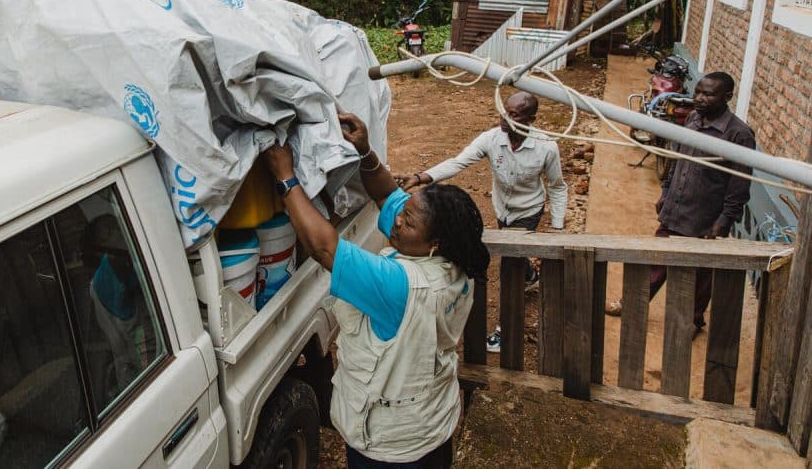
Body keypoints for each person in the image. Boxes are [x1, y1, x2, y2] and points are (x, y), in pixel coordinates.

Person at [263, 111, 489, 468]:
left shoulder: (398, 285)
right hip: (432, 421)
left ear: (436, 241)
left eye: (409, 221)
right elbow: (388, 194)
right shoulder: (460, 260)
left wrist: (285, 177)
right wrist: (366, 152)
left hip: (391, 444)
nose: (397, 220)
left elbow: (324, 248)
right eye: (405, 212)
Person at [606, 71, 755, 331]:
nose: (699, 98)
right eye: (698, 91)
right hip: (676, 206)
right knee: (655, 261)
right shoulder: (693, 119)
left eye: (708, 94)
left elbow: (739, 185)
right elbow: (676, 158)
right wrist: (665, 191)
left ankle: (693, 322)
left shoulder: (738, 134)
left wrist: (724, 220)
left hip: (705, 218)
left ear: (727, 97)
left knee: (699, 274)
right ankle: (631, 303)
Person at [396, 90, 567, 293]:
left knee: (509, 263)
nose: (505, 117)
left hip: (528, 210)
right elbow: (458, 162)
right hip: (502, 207)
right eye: (504, 111)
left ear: (531, 119)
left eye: (514, 114)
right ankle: (530, 276)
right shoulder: (491, 139)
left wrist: (557, 228)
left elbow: (557, 187)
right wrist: (417, 178)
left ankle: (507, 320)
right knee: (514, 253)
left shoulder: (546, 147)